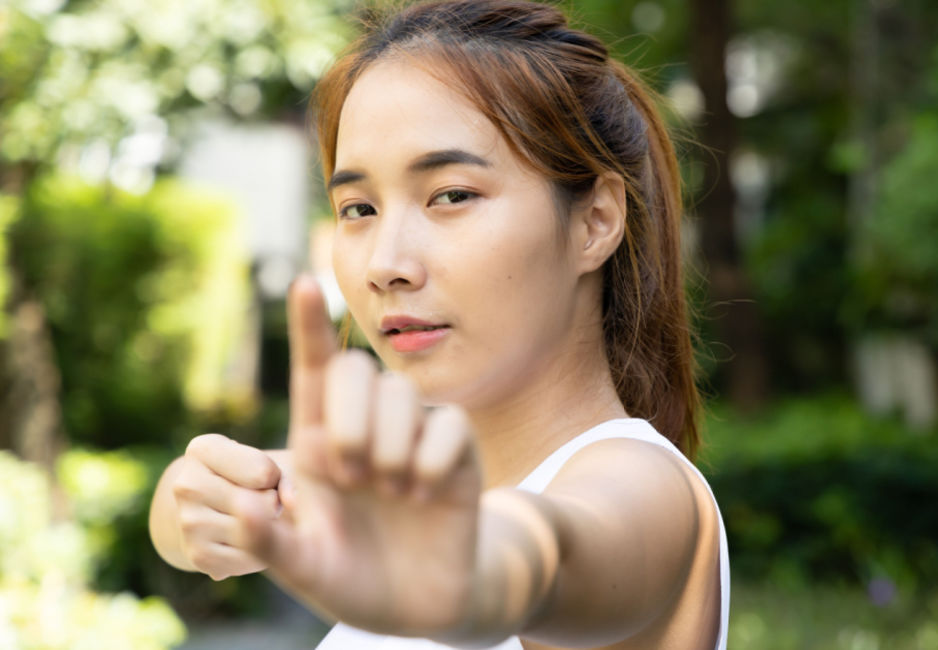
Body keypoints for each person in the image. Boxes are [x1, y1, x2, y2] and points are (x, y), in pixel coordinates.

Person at [147, 0, 729, 647]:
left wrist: (471, 571)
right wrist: (203, 500)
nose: (386, 264)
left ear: (595, 222)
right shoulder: (408, 495)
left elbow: (543, 552)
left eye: (451, 195)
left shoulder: (642, 489)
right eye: (358, 207)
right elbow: (194, 504)